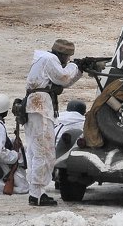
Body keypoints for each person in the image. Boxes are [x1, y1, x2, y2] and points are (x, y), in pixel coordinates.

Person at [24, 39, 84, 206]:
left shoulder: (44, 59)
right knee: (44, 152)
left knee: (38, 151)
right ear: (63, 55)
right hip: (40, 107)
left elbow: (64, 81)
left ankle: (36, 192)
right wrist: (76, 66)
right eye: (68, 57)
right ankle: (37, 195)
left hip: (36, 106)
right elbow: (64, 77)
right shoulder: (50, 60)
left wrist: (79, 70)